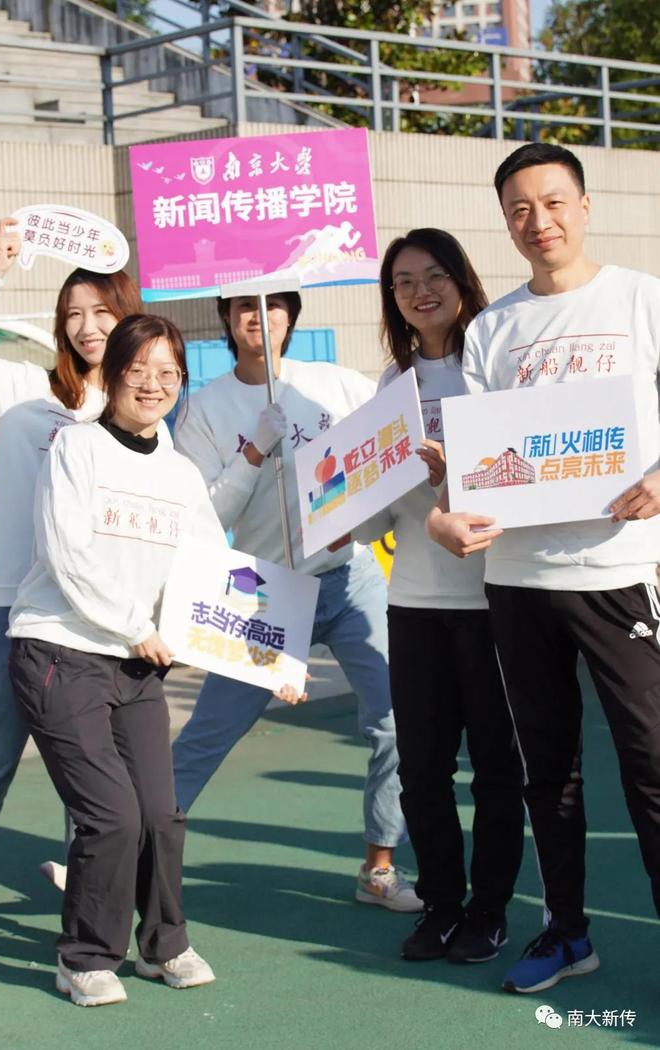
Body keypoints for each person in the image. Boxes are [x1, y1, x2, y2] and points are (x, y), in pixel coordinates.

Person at [428, 142, 660, 994]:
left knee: (652, 763)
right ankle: (566, 931)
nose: (539, 221)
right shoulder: (492, 329)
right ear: (505, 220)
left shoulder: (641, 299)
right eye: (520, 209)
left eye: (554, 202)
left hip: (620, 570)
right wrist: (445, 511)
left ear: (585, 206)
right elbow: (472, 461)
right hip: (519, 579)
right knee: (548, 771)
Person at [172, 292, 420, 912]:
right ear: (227, 318)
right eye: (245, 306)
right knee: (207, 736)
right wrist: (254, 452)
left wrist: (361, 513)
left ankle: (379, 867)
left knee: (396, 722)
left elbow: (390, 448)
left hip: (351, 576)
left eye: (275, 305)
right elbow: (204, 517)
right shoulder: (204, 408)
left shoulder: (335, 383)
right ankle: (120, 859)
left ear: (291, 316)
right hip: (263, 591)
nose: (260, 316)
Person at [8, 314, 226, 1007]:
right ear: (111, 375)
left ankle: (165, 945)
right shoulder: (76, 448)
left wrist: (269, 659)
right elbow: (65, 554)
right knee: (112, 817)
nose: (153, 385)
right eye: (138, 371)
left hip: (137, 666)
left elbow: (213, 570)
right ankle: (84, 957)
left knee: (160, 814)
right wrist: (136, 626)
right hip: (61, 650)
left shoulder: (182, 474)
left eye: (169, 373)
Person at [0, 218, 143, 959]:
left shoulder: (142, 413)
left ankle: (90, 905)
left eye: (102, 311)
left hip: (101, 618)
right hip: (19, 613)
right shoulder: (23, 394)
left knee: (95, 773)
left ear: (127, 317)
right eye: (73, 313)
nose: (88, 326)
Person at [340, 229, 524, 962]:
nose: (421, 292)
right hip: (414, 602)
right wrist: (340, 513)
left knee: (497, 769)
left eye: (435, 275)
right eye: (404, 282)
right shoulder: (393, 385)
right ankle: (442, 906)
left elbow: (528, 478)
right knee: (422, 769)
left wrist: (460, 478)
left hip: (495, 600)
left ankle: (489, 911)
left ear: (462, 280)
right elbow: (379, 512)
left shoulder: (497, 368)